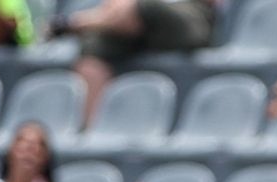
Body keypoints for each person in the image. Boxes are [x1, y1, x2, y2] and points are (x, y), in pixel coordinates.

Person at [62, 0, 220, 126]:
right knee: (93, 47)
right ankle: (92, 134)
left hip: (188, 14)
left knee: (140, 7)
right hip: (138, 25)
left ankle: (77, 23)